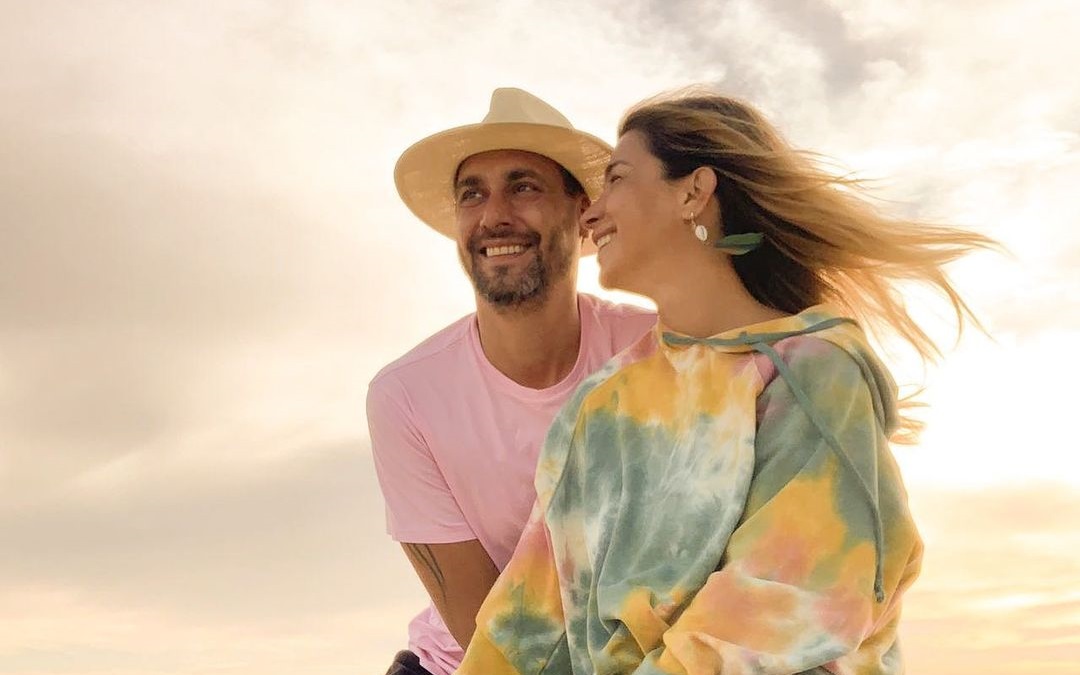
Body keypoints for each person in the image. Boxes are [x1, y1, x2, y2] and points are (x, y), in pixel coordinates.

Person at [457, 88, 998, 675]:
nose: (591, 213)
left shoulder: (812, 369)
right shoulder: (604, 401)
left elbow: (779, 606)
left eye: (616, 179)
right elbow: (525, 622)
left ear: (694, 192)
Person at [367, 87, 656, 675]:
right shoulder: (407, 396)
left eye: (523, 185)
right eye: (471, 194)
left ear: (583, 214)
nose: (494, 214)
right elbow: (484, 636)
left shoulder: (657, 348)